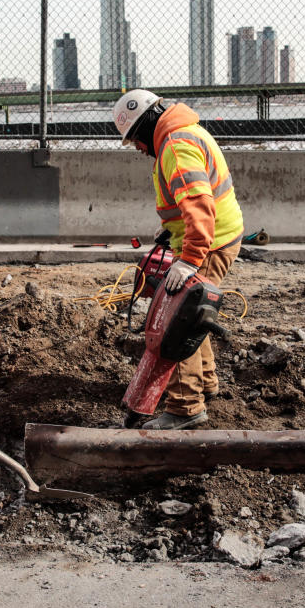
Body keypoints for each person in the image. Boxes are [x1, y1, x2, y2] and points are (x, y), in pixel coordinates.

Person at [113, 89, 244, 429]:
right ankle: (207, 382)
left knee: (178, 323)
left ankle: (185, 407)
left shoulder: (175, 145)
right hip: (217, 239)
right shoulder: (185, 133)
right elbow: (187, 202)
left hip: (207, 245)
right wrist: (172, 232)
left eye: (135, 141)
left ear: (144, 128)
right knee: (196, 317)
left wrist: (188, 258)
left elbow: (199, 204)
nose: (139, 150)